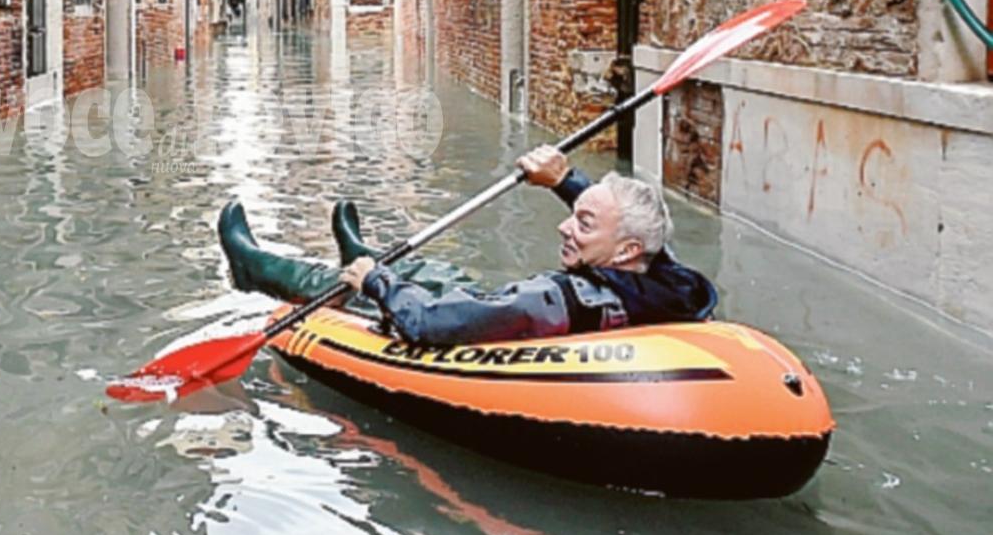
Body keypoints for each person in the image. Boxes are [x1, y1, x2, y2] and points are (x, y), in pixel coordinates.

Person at [216, 145, 717, 347]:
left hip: (507, 324)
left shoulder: (557, 298)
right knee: (441, 273)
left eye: (583, 224)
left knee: (370, 286)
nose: (565, 228)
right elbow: (631, 229)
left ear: (626, 250)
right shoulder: (672, 283)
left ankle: (254, 267)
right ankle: (362, 251)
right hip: (520, 313)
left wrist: (376, 281)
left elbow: (428, 321)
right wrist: (565, 181)